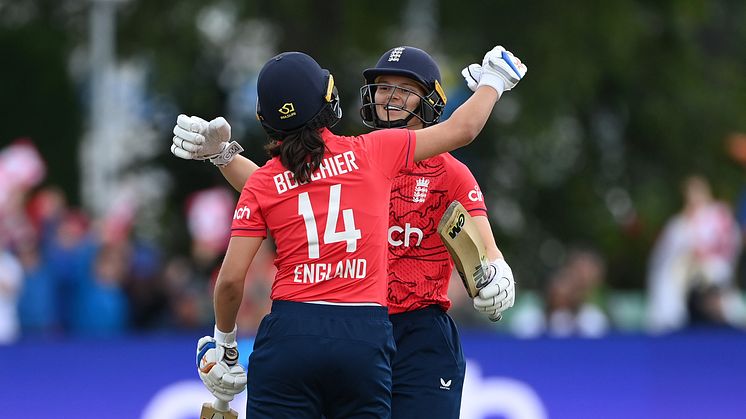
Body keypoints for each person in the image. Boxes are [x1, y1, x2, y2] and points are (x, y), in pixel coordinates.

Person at [183, 47, 526, 417]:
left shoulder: (440, 170)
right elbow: (277, 191)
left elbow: (487, 250)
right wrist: (224, 156)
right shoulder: (366, 152)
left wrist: (497, 273)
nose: (392, 97)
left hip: (415, 331)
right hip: (364, 332)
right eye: (384, 88)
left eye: (405, 88)